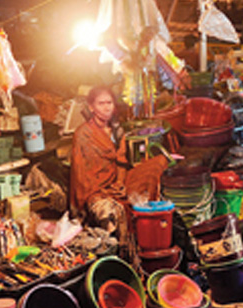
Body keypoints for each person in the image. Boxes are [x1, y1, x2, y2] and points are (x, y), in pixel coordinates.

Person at [70, 87, 169, 240]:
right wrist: (92, 196)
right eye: (101, 103)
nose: (106, 107)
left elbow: (121, 162)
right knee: (107, 213)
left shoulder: (118, 130)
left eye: (109, 102)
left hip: (117, 182)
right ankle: (119, 245)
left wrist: (120, 184)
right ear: (91, 107)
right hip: (94, 189)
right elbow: (80, 172)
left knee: (158, 162)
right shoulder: (83, 134)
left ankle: (151, 222)